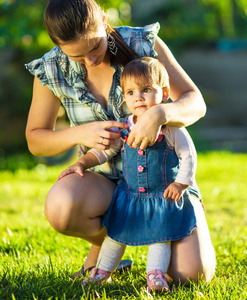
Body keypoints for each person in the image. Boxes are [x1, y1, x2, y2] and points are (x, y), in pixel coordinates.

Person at [25, 0, 216, 284]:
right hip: (106, 185)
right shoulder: (51, 68)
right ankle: (106, 243)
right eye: (78, 57)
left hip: (162, 184)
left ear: (104, 19)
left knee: (190, 275)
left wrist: (162, 113)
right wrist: (80, 134)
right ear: (58, 45)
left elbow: (195, 102)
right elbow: (36, 139)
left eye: (94, 49)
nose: (90, 61)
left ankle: (182, 217)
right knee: (61, 207)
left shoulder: (142, 44)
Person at [57, 57, 201, 292]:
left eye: (146, 90)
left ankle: (155, 276)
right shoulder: (125, 127)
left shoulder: (172, 129)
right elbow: (104, 151)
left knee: (159, 236)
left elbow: (189, 156)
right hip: (130, 196)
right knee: (115, 234)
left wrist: (180, 184)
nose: (138, 97)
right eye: (131, 92)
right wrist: (82, 163)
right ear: (125, 97)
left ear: (164, 93)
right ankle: (102, 271)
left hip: (161, 196)